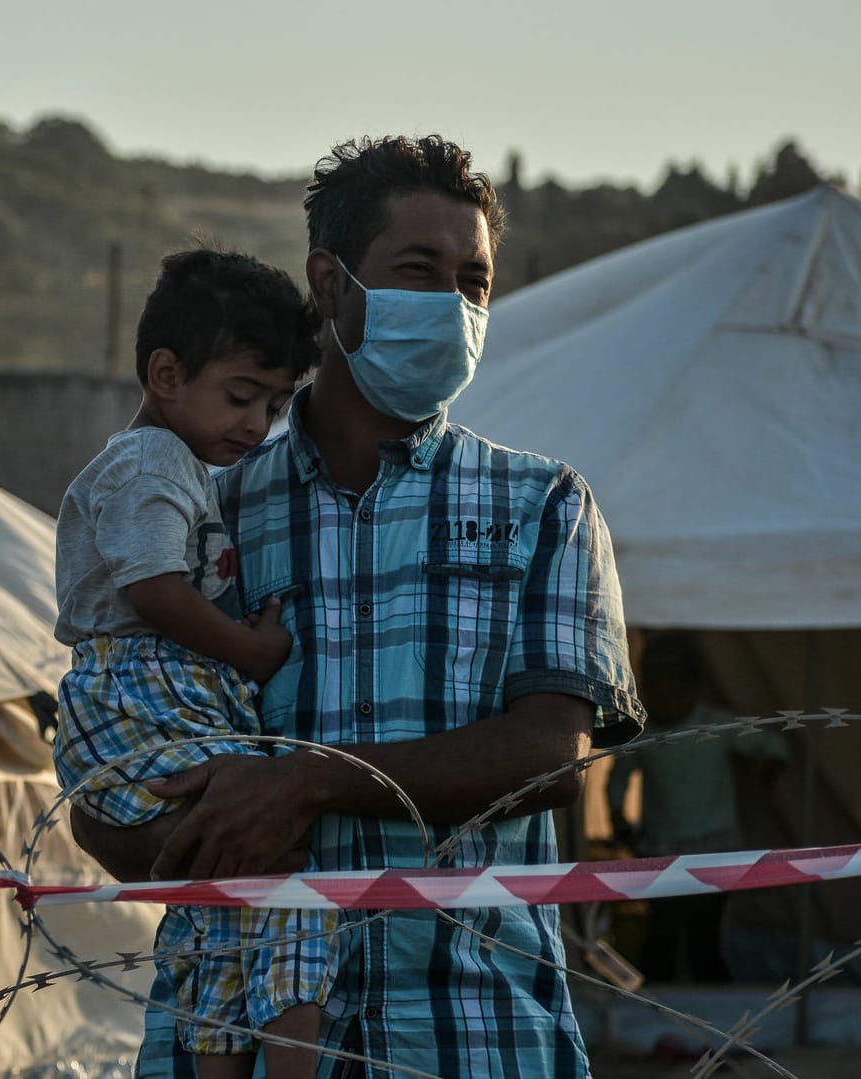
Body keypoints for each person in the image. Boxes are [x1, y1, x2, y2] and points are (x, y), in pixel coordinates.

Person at [70, 136, 646, 1078]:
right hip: (237, 1037)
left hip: (474, 1032)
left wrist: (302, 782)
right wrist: (163, 834)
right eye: (419, 272)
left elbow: (548, 757)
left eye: (474, 283)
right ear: (330, 285)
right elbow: (112, 732)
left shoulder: (543, 505)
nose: (453, 306)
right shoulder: (201, 506)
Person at [53, 247, 329, 1079]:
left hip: (165, 698)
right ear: (166, 374)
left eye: (276, 405)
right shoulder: (151, 463)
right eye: (241, 396)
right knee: (274, 879)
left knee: (223, 897)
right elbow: (158, 595)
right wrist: (257, 648)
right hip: (143, 700)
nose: (256, 426)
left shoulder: (183, 465)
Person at [605, 631, 786, 982]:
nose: (665, 697)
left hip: (715, 847)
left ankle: (715, 1015)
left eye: (673, 687)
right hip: (661, 847)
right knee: (662, 936)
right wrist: (617, 818)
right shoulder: (644, 734)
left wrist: (772, 766)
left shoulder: (714, 724)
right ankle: (659, 1011)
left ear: (692, 686)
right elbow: (617, 780)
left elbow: (770, 742)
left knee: (706, 936)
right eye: (656, 687)